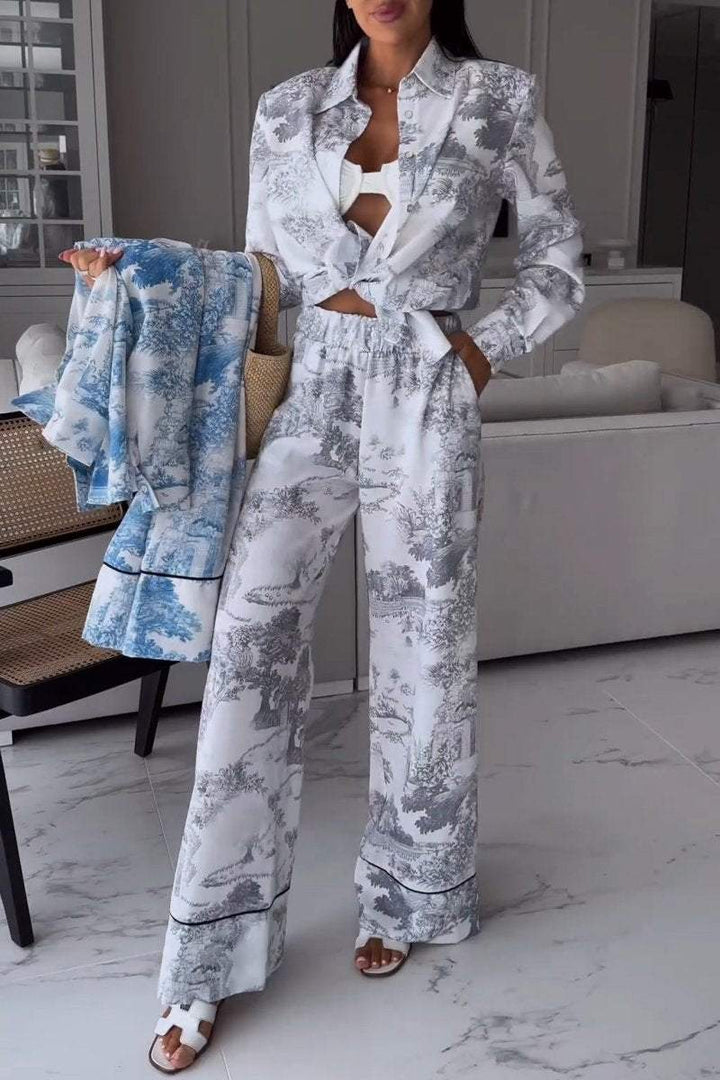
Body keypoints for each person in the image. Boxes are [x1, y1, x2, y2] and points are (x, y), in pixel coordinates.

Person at [61, 0, 585, 1072]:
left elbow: (557, 259)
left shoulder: (499, 99)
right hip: (309, 393)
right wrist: (136, 275)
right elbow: (256, 279)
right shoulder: (289, 108)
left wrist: (478, 351)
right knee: (248, 653)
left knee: (423, 656)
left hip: (425, 390)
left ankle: (408, 892)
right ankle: (206, 954)